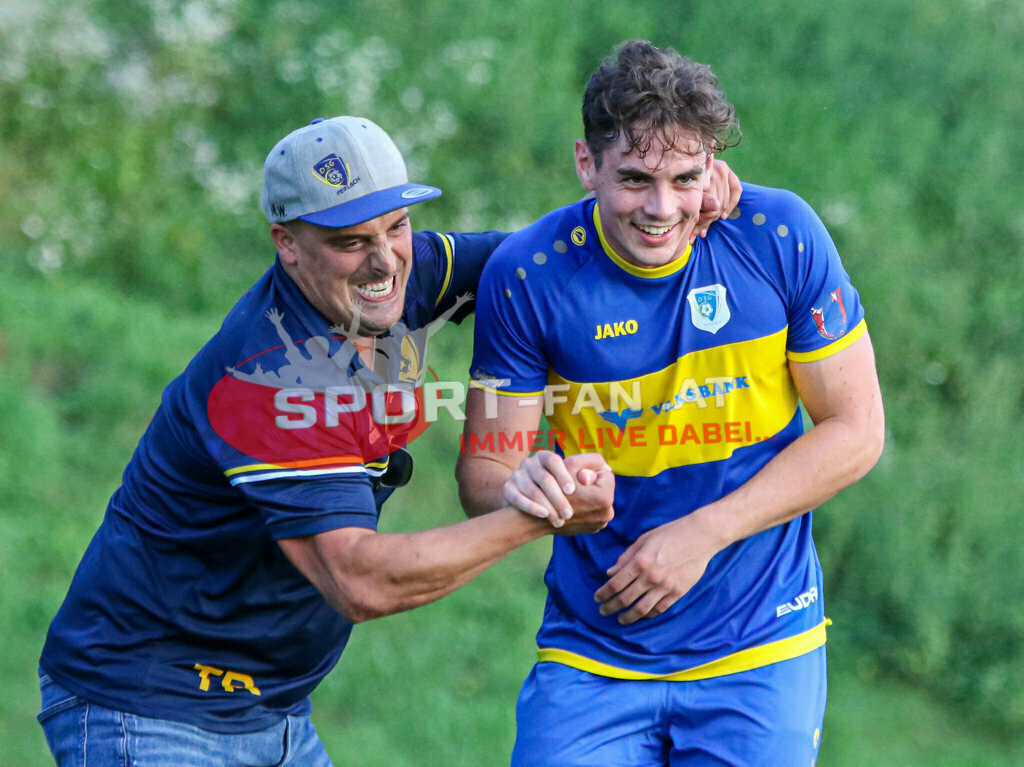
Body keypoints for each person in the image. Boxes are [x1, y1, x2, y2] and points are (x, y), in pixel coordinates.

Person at [36, 115, 620, 767]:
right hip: (148, 708)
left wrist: (665, 203)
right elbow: (360, 579)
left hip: (273, 712)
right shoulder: (268, 374)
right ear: (287, 243)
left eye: (396, 227)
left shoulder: (401, 274)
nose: (383, 260)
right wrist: (539, 514)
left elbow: (537, 258)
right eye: (350, 241)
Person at [456, 40, 885, 766]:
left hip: (761, 643)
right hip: (594, 651)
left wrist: (704, 533)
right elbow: (483, 476)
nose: (662, 210)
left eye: (687, 177)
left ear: (715, 165)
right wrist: (528, 489)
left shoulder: (777, 235)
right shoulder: (526, 275)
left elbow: (857, 431)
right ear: (585, 165)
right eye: (634, 179)